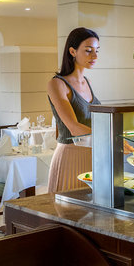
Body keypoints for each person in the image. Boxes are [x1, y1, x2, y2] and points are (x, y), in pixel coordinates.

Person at [46, 27, 100, 194]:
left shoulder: (87, 82)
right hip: (70, 156)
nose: (95, 56)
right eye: (88, 50)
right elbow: (73, 127)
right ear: (72, 51)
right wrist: (109, 138)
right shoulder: (57, 84)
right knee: (69, 208)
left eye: (97, 51)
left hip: (93, 155)